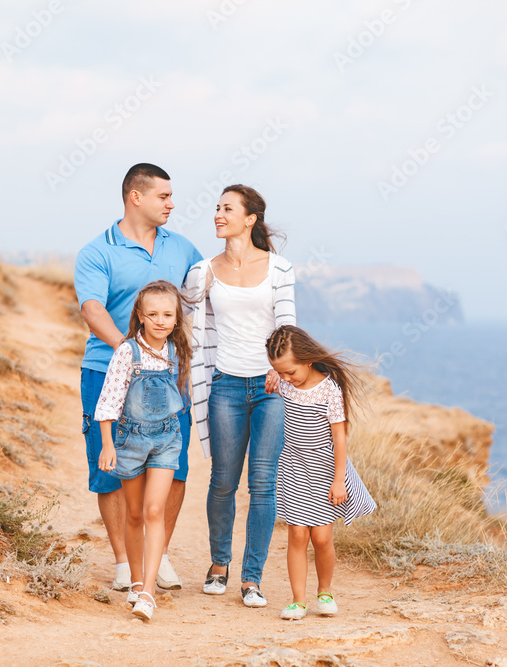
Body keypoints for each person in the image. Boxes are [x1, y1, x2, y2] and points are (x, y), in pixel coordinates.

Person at [75, 163, 202, 592]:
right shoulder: (98, 251)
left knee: (175, 467)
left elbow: (210, 295)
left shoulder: (183, 249)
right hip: (106, 371)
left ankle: (158, 555)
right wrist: (130, 356)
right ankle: (124, 562)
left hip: (170, 379)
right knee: (110, 468)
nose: (172, 203)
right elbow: (92, 310)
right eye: (163, 196)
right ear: (136, 197)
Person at [184, 184, 295, 608]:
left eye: (227, 209)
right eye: (216, 208)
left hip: (270, 389)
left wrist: (276, 367)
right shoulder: (203, 271)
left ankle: (252, 579)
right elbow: (188, 329)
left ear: (250, 219)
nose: (217, 214)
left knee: (263, 485)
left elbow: (288, 327)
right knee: (223, 482)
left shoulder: (280, 269)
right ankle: (218, 565)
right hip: (225, 386)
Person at [265, 325, 377, 620]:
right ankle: (298, 601)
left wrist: (339, 480)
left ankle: (325, 591)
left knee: (322, 538)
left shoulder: (329, 390)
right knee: (297, 535)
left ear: (308, 359)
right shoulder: (285, 381)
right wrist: (274, 374)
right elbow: (279, 376)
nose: (288, 379)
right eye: (282, 373)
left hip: (324, 472)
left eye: (291, 372)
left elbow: (339, 437)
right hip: (294, 467)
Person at [96, 281, 192, 620]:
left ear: (177, 318)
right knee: (134, 514)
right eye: (152, 314)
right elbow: (109, 399)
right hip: (130, 442)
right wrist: (107, 445)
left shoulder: (177, 353)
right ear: (140, 316)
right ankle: (136, 581)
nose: (160, 321)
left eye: (167, 314)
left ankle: (148, 592)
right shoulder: (127, 352)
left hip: (167, 440)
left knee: (155, 511)